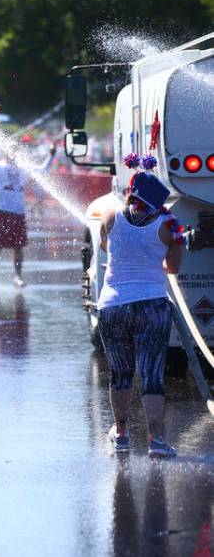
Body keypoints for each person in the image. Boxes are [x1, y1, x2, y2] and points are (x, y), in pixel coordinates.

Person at [98, 172, 181, 458]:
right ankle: (156, 440)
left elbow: (104, 246)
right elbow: (172, 268)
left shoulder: (110, 215)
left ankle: (121, 435)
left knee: (120, 374)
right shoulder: (167, 227)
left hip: (112, 305)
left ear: (131, 194)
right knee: (152, 374)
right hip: (151, 306)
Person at [0, 143, 56, 287]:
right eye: (10, 151)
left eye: (16, 151)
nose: (13, 154)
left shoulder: (23, 167)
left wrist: (51, 155)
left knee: (18, 246)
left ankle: (18, 276)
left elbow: (42, 170)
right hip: (2, 210)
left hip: (18, 212)